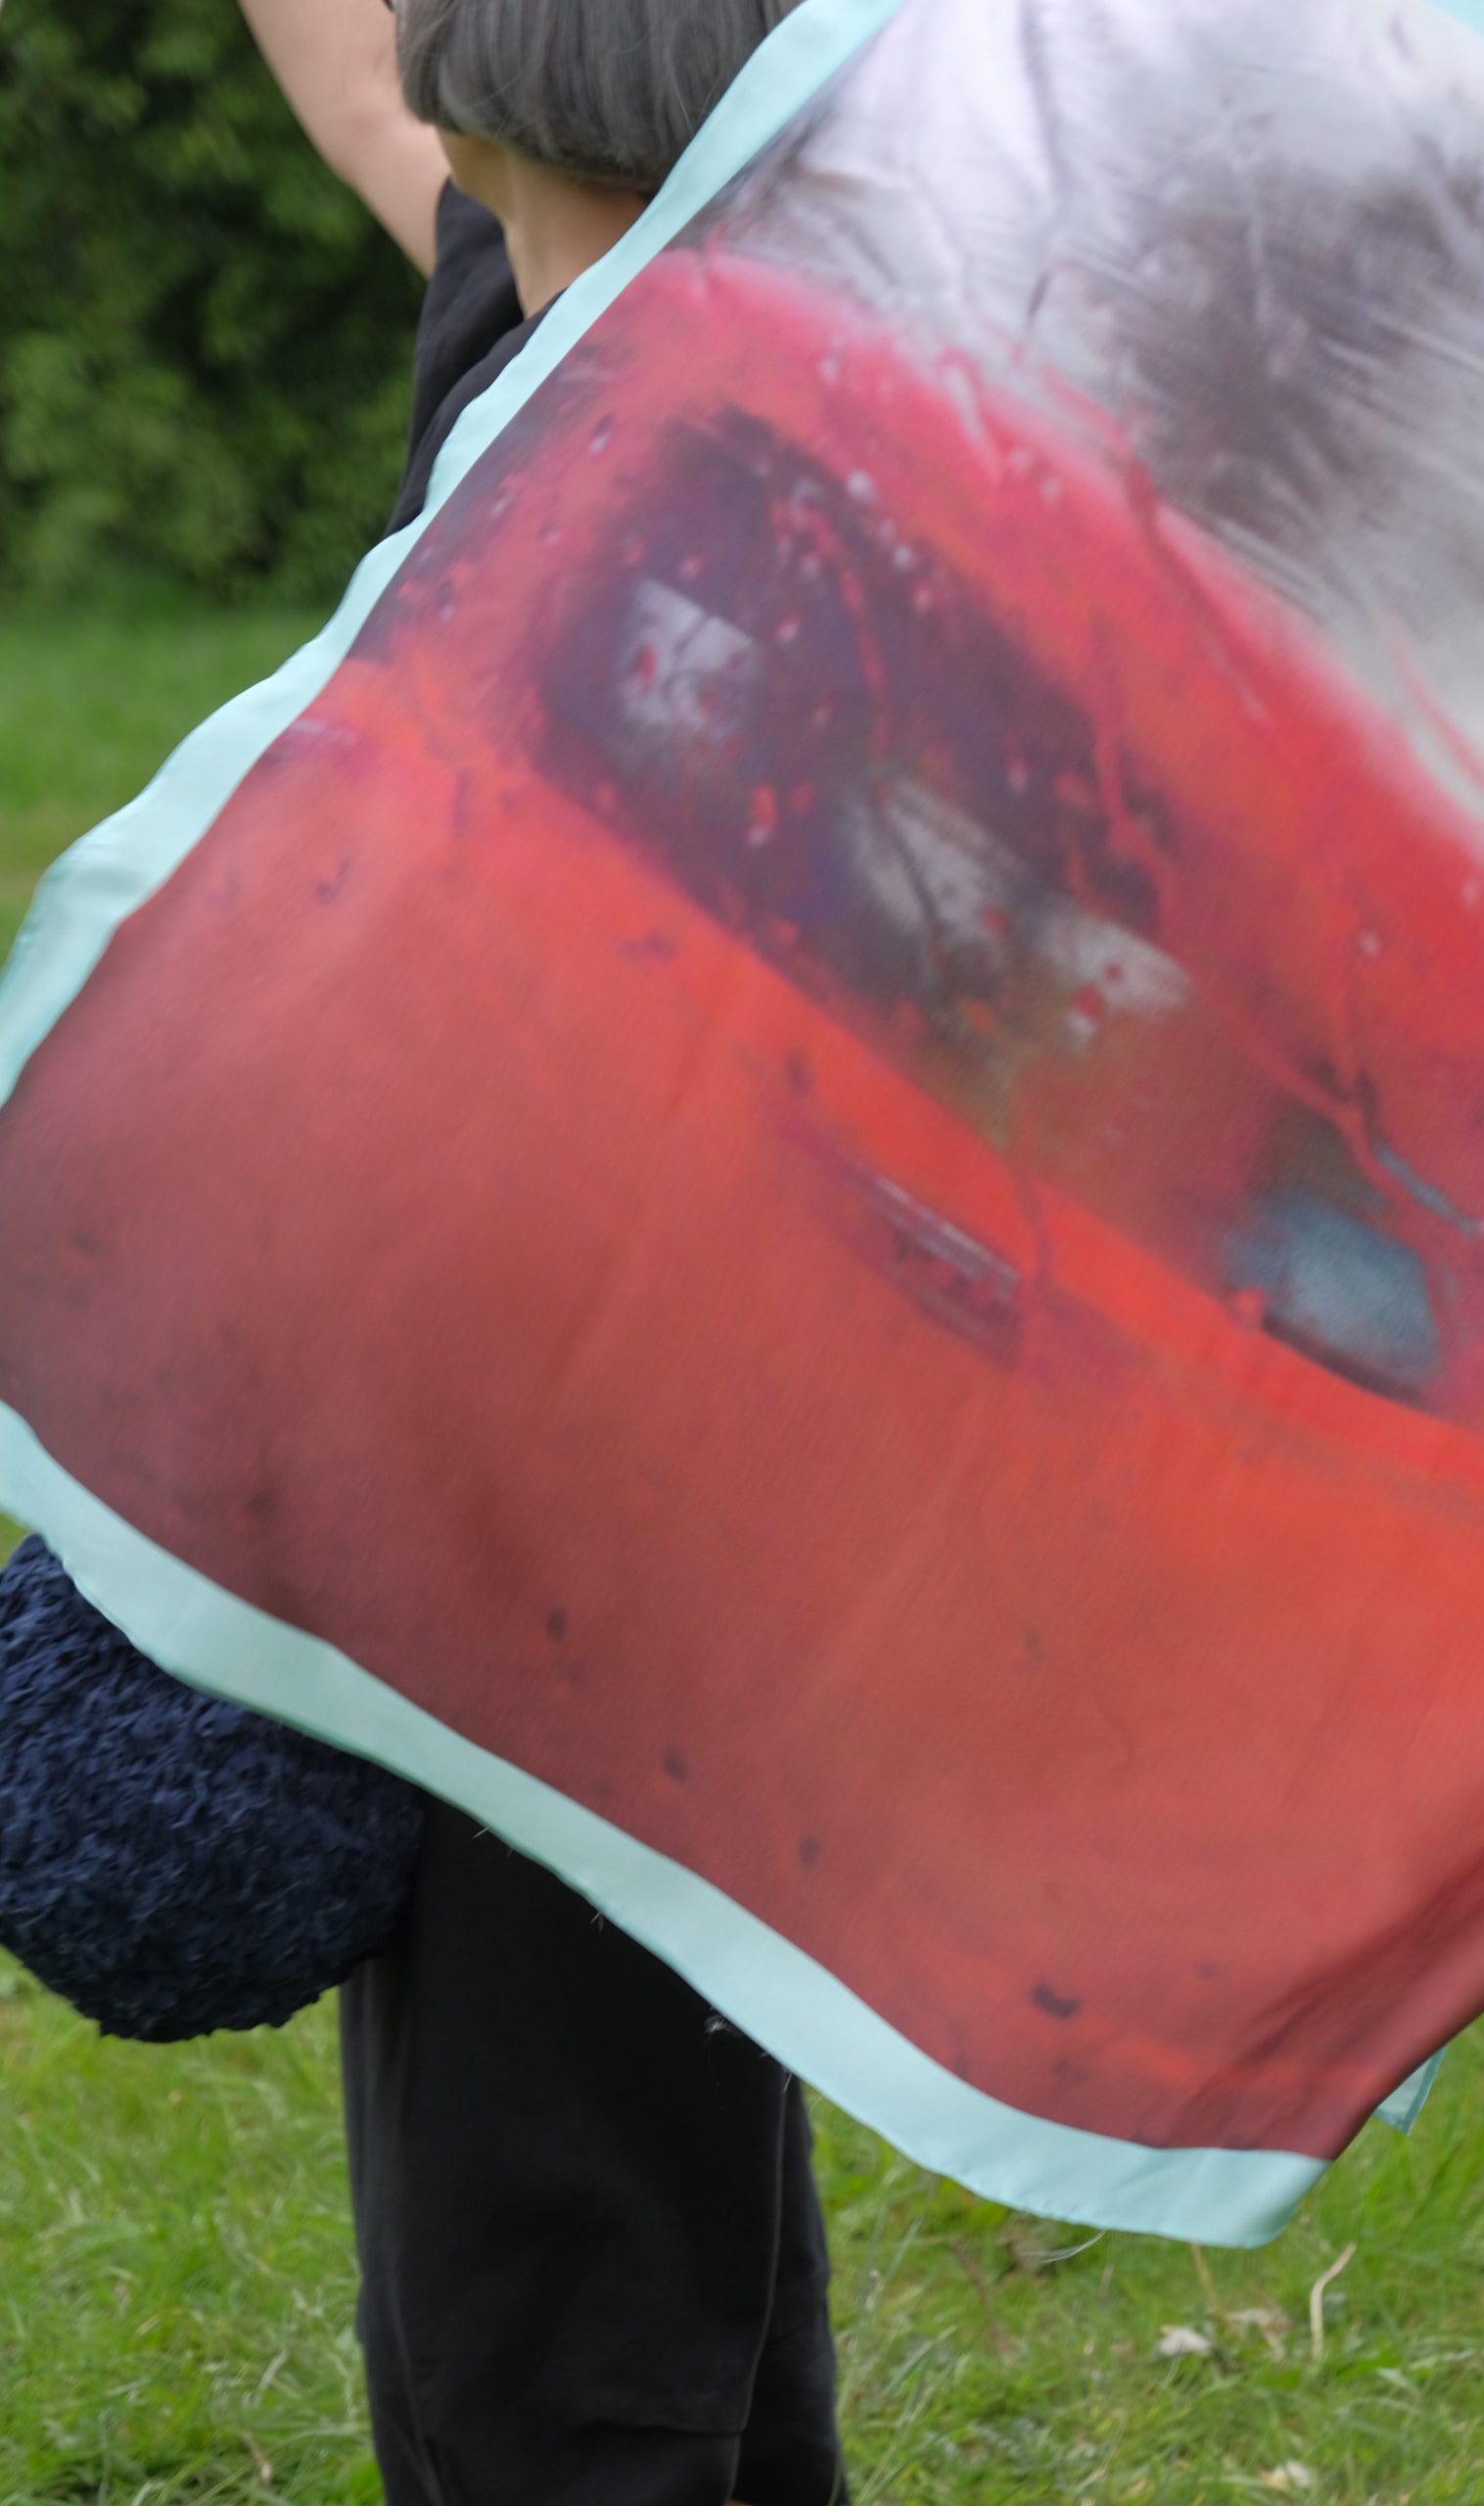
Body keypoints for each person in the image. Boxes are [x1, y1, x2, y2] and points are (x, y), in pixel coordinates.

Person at [233, 7, 847, 2502]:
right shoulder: (690, 384)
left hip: (568, 1410)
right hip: (703, 1422)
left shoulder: (644, 516)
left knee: (555, 2138)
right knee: (643, 2042)